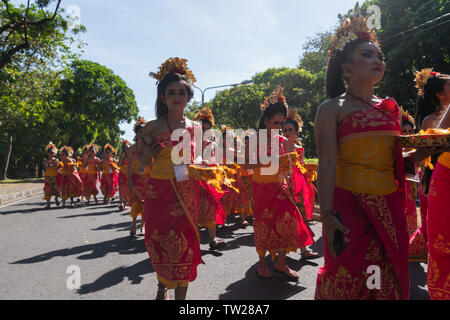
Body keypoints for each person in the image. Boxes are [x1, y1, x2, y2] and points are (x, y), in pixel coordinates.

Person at [312, 9, 440, 299]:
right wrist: (328, 215)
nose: (378, 60)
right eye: (368, 54)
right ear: (346, 66)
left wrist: (426, 151)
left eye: (379, 56)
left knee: (384, 280)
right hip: (349, 209)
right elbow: (328, 163)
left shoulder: (390, 108)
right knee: (345, 276)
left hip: (388, 208)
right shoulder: (332, 108)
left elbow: (395, 162)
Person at [138, 58, 203, 300]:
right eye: (172, 92)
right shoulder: (151, 128)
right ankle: (162, 284)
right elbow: (143, 164)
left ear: (188, 96)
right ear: (163, 97)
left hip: (187, 192)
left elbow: (201, 159)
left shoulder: (196, 127)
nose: (177, 96)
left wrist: (206, 171)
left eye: (182, 92)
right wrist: (148, 150)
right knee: (162, 243)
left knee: (184, 246)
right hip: (160, 192)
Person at [244, 87, 315, 281]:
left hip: (281, 186)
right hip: (262, 188)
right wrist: (266, 160)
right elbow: (245, 164)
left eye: (282, 123)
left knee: (288, 223)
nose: (279, 127)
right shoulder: (253, 139)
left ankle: (281, 263)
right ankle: (261, 264)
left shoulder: (283, 141)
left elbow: (287, 165)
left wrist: (295, 168)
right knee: (264, 225)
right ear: (265, 121)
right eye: (275, 123)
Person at [415, 69, 450, 299]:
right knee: (441, 242)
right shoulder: (437, 117)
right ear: (439, 94)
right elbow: (436, 142)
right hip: (444, 175)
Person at [282, 109, 319, 260]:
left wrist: (308, 172)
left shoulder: (299, 149)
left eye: (290, 130)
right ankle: (280, 253)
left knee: (301, 217)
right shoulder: (280, 148)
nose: (286, 132)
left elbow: (301, 166)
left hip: (299, 186)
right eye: (284, 130)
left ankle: (303, 251)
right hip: (284, 185)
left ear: (296, 132)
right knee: (285, 218)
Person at [193, 106, 228, 250]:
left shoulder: (213, 144)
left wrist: (217, 171)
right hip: (193, 181)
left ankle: (213, 240)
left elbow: (218, 162)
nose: (205, 130)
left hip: (209, 182)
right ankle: (193, 242)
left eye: (207, 128)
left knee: (210, 210)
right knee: (192, 210)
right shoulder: (191, 143)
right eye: (202, 127)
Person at [127, 119, 152, 236]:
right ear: (136, 133)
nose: (142, 134)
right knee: (136, 202)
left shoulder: (149, 148)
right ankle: (133, 224)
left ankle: (142, 226)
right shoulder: (131, 149)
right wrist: (129, 180)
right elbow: (129, 166)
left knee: (146, 204)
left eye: (144, 132)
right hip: (136, 178)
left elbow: (152, 165)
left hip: (147, 179)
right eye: (140, 132)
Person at [43, 142, 61, 208]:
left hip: (55, 177)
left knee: (57, 189)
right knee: (48, 190)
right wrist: (49, 165)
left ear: (55, 153)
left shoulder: (56, 160)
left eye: (53, 153)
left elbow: (57, 166)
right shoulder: (45, 161)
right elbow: (45, 167)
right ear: (47, 153)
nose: (52, 154)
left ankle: (56, 198)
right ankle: (48, 204)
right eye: (50, 153)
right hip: (48, 177)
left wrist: (53, 165)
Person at [118, 140, 131, 211]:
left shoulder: (132, 155)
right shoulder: (122, 156)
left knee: (129, 190)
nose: (126, 149)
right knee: (122, 189)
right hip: (122, 175)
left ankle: (124, 204)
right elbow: (119, 165)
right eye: (125, 148)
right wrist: (122, 157)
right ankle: (121, 203)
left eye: (127, 147)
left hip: (129, 175)